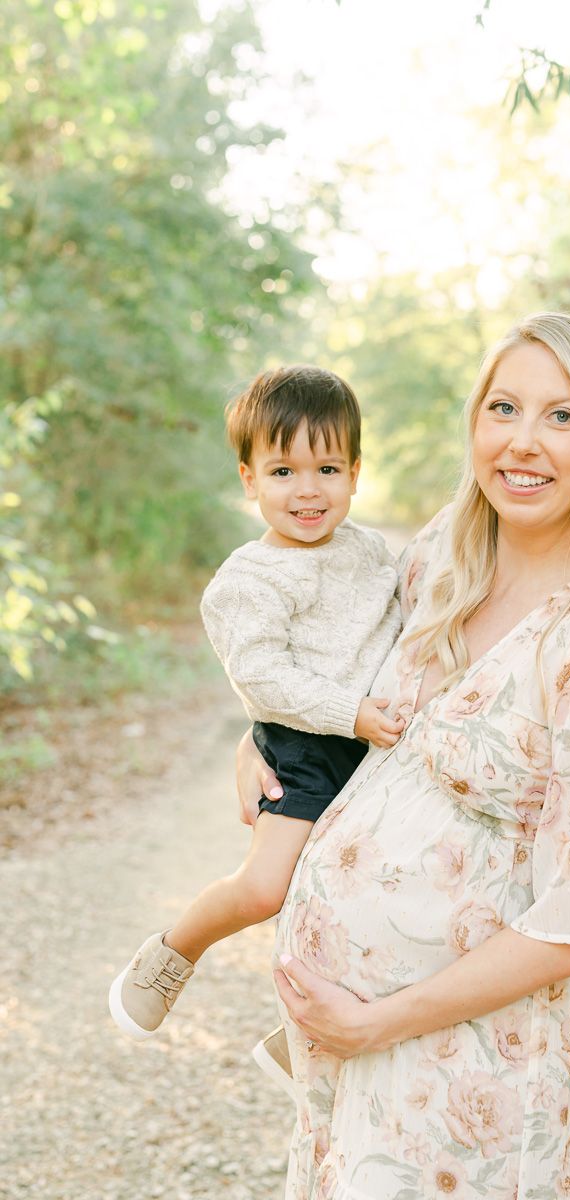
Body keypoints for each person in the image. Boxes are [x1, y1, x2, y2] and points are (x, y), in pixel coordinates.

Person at [237, 312, 570, 1199]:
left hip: (474, 1067)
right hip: (348, 1051)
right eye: (504, 408)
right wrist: (253, 746)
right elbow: (339, 688)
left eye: (564, 417)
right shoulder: (442, 558)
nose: (524, 443)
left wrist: (376, 1023)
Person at [108, 365, 404, 1095]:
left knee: (382, 887)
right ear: (249, 479)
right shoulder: (247, 581)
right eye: (283, 470)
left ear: (357, 473)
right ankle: (173, 951)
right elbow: (264, 678)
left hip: (374, 744)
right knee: (269, 886)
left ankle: (303, 1032)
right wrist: (351, 712)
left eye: (327, 468)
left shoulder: (371, 554)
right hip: (305, 744)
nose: (308, 490)